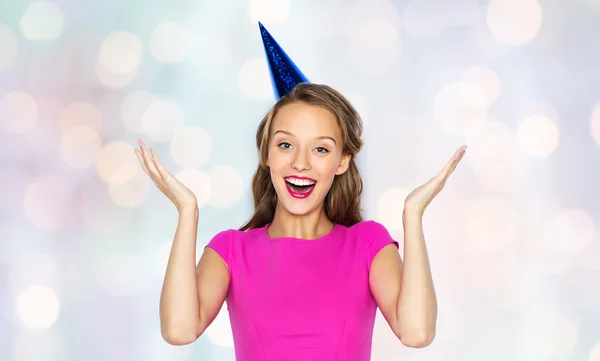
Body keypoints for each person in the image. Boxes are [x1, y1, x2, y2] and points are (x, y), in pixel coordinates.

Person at [134, 23, 466, 361]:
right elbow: (178, 330)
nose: (301, 163)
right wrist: (187, 210)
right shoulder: (231, 251)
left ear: (342, 161)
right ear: (266, 154)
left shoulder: (367, 244)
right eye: (286, 145)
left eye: (320, 149)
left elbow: (417, 332)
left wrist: (413, 214)